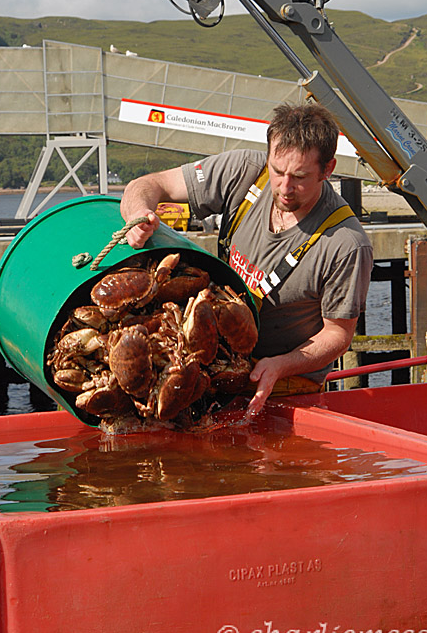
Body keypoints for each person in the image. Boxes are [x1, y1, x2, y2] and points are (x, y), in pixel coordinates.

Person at [120, 102, 373, 418]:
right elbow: (148, 185)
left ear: (328, 169)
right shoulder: (245, 171)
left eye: (300, 177)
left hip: (285, 390)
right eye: (278, 171)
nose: (284, 187)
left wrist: (280, 366)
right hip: (212, 365)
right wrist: (137, 214)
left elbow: (338, 335)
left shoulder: (347, 244)